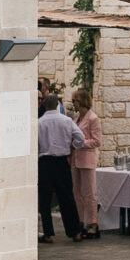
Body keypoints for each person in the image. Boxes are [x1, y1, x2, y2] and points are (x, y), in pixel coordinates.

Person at [36, 92, 84, 242]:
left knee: (45, 199)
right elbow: (80, 138)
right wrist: (73, 146)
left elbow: (35, 143)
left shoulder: (39, 122)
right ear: (58, 105)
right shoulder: (66, 121)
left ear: (44, 105)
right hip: (62, 161)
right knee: (67, 197)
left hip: (45, 162)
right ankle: (75, 231)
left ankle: (48, 234)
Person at [68, 88, 102, 240]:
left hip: (87, 159)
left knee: (89, 193)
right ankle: (80, 221)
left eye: (74, 100)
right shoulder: (76, 117)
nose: (73, 103)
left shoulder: (93, 118)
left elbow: (97, 141)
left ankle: (93, 223)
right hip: (76, 159)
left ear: (80, 101)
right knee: (77, 192)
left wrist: (80, 143)